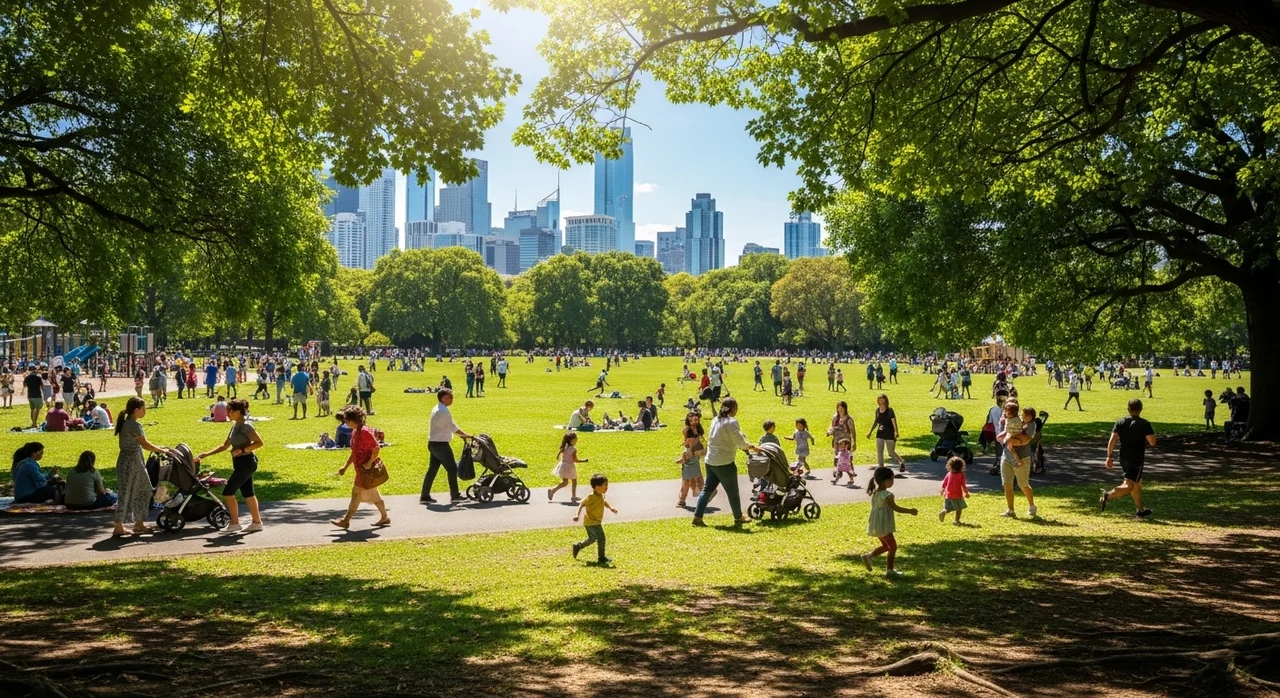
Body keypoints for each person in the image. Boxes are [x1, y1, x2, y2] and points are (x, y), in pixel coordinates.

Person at [195, 399, 265, 533]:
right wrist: (207, 454)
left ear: (238, 412)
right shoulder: (235, 426)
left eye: (229, 410)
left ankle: (234, 523)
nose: (227, 413)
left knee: (228, 492)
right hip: (240, 464)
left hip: (247, 463)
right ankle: (257, 523)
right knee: (248, 493)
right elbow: (225, 446)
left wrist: (243, 450)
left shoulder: (246, 426)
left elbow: (259, 443)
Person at [691, 398, 759, 527]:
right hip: (724, 462)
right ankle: (738, 517)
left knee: (707, 490)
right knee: (732, 491)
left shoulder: (716, 420)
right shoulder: (731, 422)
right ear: (733, 408)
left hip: (711, 461)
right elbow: (739, 440)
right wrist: (751, 446)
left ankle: (697, 517)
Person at [113, 397, 171, 536]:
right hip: (132, 462)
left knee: (134, 490)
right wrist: (162, 450)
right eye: (143, 409)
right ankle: (124, 525)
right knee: (140, 490)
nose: (145, 411)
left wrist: (159, 448)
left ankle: (136, 523)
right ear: (136, 409)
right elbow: (145, 445)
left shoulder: (127, 423)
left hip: (127, 460)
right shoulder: (134, 425)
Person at [330, 406, 391, 529]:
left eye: (347, 420)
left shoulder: (364, 432)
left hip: (365, 470)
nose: (345, 423)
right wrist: (345, 466)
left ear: (354, 420)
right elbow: (354, 452)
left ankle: (346, 521)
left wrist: (369, 463)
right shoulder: (355, 432)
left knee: (356, 494)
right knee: (374, 494)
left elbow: (376, 447)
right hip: (360, 470)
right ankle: (384, 517)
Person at [1100, 398, 1157, 518]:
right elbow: (1152, 442)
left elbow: (1112, 440)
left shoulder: (1120, 422)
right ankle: (1107, 496)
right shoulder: (1144, 423)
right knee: (1129, 485)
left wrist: (1109, 456)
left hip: (1123, 457)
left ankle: (1140, 510)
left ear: (1128, 409)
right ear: (1141, 409)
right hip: (1136, 459)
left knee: (1136, 483)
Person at [860, 466, 918, 577]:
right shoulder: (887, 495)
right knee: (893, 547)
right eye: (892, 479)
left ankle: (869, 556)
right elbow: (895, 508)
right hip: (883, 525)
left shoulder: (875, 493)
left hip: (876, 524)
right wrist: (910, 511)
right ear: (886, 481)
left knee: (887, 546)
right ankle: (889, 570)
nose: (893, 482)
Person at [423, 388, 472, 504]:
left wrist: (463, 435)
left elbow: (450, 426)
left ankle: (424, 496)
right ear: (444, 398)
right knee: (452, 469)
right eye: (450, 397)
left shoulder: (438, 408)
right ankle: (455, 495)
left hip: (434, 443)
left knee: (432, 470)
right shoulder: (443, 411)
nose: (452, 399)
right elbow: (452, 427)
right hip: (441, 445)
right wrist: (465, 435)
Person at [997, 403, 1039, 518]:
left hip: (1023, 458)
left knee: (1023, 485)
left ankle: (1032, 506)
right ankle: (1010, 510)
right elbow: (1008, 432)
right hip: (1006, 456)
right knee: (1007, 484)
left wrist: (1012, 440)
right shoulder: (1016, 420)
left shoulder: (1030, 426)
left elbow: (1025, 439)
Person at [572, 473, 617, 565]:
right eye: (605, 485)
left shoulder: (601, 495)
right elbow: (582, 504)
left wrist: (611, 508)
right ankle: (601, 557)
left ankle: (578, 546)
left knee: (592, 539)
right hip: (591, 522)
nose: (606, 487)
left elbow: (603, 502)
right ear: (596, 486)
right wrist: (577, 515)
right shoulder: (591, 497)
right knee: (601, 538)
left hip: (596, 522)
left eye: (607, 485)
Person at [867, 393, 904, 471]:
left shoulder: (889, 410)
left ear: (885, 400)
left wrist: (896, 431)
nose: (881, 400)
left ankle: (901, 461)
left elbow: (893, 420)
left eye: (882, 399)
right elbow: (876, 422)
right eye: (879, 399)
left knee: (891, 452)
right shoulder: (877, 410)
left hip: (889, 432)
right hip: (880, 432)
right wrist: (870, 431)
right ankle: (881, 467)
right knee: (879, 451)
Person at [677, 412, 706, 507]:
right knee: (687, 479)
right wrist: (684, 457)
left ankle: (702, 497)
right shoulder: (686, 430)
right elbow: (688, 444)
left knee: (695, 478)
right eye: (691, 420)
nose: (694, 422)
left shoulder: (699, 430)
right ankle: (683, 500)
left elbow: (701, 443)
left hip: (695, 456)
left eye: (696, 420)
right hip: (689, 455)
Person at [549, 432, 587, 502]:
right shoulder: (573, 450)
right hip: (570, 467)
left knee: (565, 482)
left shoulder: (565, 447)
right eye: (575, 439)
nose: (577, 440)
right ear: (572, 440)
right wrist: (584, 461)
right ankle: (573, 496)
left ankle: (553, 490)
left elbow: (560, 455)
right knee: (574, 481)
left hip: (563, 466)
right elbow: (575, 460)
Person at [938, 456, 970, 524]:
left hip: (948, 494)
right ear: (961, 466)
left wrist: (943, 490)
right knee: (959, 508)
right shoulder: (961, 475)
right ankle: (957, 521)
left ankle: (943, 511)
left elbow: (944, 482)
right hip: (957, 495)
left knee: (948, 508)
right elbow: (963, 485)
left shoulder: (949, 473)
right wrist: (966, 493)